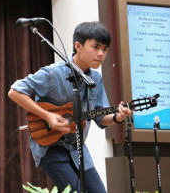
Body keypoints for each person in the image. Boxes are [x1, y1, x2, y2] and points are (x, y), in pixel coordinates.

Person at [8, 21, 132, 193]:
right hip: (50, 147)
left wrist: (118, 117)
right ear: (78, 46)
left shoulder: (95, 79)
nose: (101, 54)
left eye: (104, 49)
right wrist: (47, 115)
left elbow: (99, 116)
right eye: (95, 47)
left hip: (78, 147)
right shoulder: (53, 74)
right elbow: (15, 91)